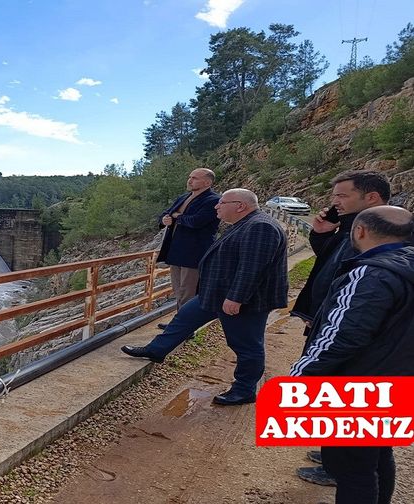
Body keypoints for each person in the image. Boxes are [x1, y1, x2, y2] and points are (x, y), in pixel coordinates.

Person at [290, 205, 414, 504]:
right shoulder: (406, 265)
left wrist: (300, 377)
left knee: (351, 470)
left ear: (360, 231)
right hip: (398, 377)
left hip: (361, 384)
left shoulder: (371, 272)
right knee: (377, 453)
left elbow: (341, 334)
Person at [122, 189, 288, 405]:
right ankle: (156, 350)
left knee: (246, 345)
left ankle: (244, 390)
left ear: (240, 206)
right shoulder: (247, 223)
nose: (217, 206)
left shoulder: (260, 227)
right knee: (185, 317)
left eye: (222, 203)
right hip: (217, 293)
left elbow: (252, 268)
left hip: (242, 300)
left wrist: (236, 298)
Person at [289, 170, 390, 486]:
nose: (334, 201)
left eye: (342, 196)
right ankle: (335, 453)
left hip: (357, 341)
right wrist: (321, 235)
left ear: (370, 197)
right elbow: (334, 265)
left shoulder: (383, 233)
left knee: (354, 408)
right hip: (336, 323)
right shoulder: (354, 228)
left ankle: (340, 466)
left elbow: (361, 294)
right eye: (334, 196)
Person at [157, 168, 220, 318]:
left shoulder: (214, 200)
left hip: (194, 253)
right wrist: (164, 219)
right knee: (178, 290)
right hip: (176, 251)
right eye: (190, 177)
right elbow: (167, 213)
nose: (190, 180)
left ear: (207, 182)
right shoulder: (184, 197)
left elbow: (196, 221)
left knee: (188, 292)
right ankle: (179, 323)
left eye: (195, 178)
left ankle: (185, 327)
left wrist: (177, 216)